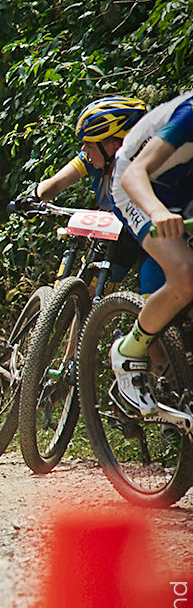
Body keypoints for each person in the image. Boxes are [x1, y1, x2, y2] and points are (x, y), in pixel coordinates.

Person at [19, 96, 160, 294]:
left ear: (114, 146)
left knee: (152, 289)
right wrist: (35, 196)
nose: (84, 149)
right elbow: (56, 183)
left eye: (90, 144)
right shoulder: (93, 158)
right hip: (115, 235)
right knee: (90, 292)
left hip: (151, 236)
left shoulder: (151, 165)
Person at [108, 89, 193, 412]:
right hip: (139, 182)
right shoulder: (189, 115)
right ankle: (130, 351)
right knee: (185, 273)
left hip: (185, 179)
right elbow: (134, 174)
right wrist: (157, 212)